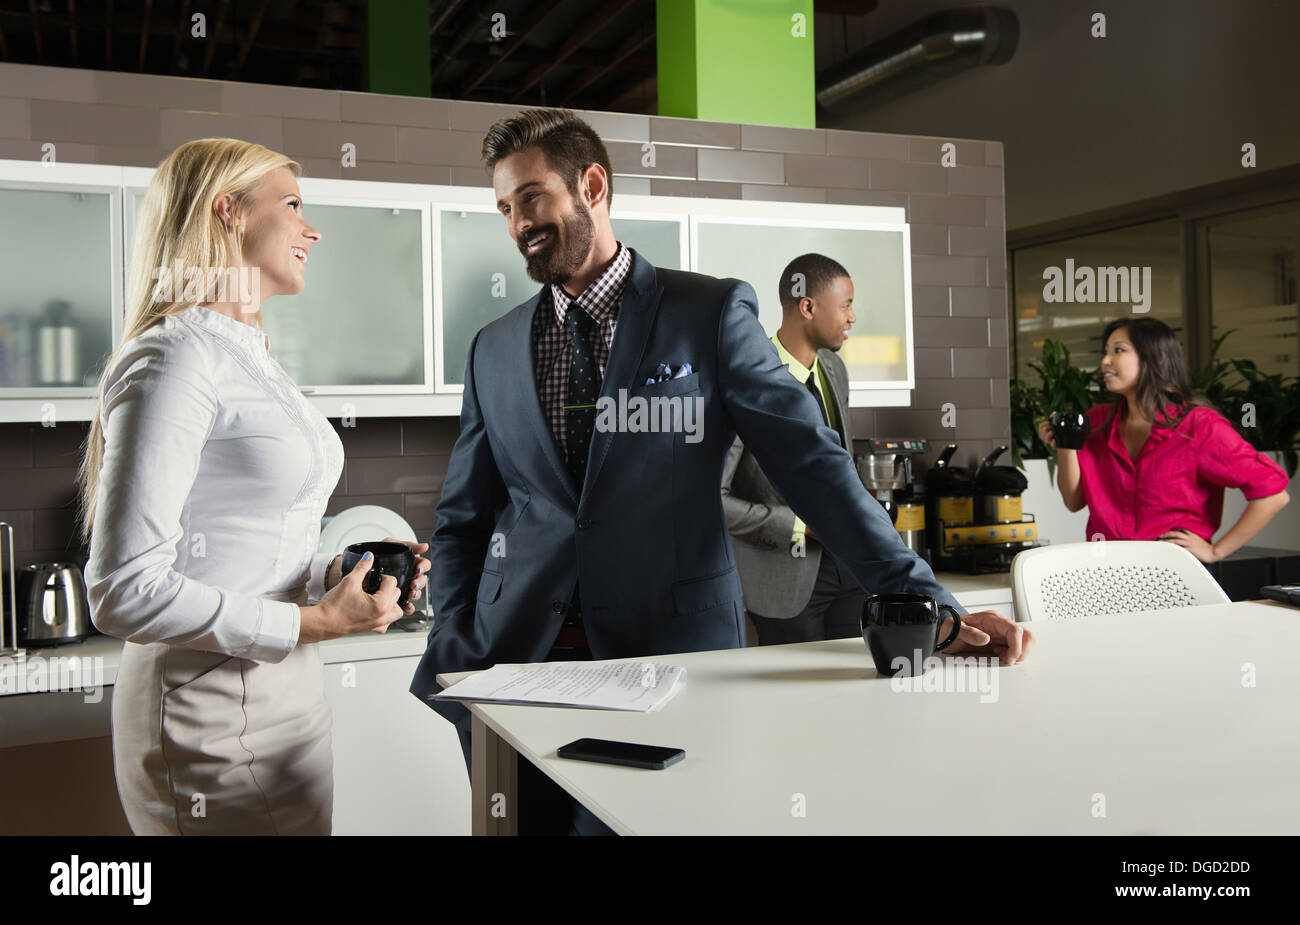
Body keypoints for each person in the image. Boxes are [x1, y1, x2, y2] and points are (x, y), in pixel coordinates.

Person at [409, 108, 1033, 836]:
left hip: (671, 665)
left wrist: (920, 595)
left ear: (593, 184)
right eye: (505, 208)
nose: (518, 223)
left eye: (533, 198)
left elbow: (811, 464)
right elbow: (463, 517)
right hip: (516, 670)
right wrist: (452, 636)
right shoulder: (493, 347)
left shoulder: (706, 312)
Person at [79, 138, 430, 835]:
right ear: (227, 210)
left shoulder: (248, 357)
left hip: (286, 706)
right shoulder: (175, 357)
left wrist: (336, 574)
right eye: (293, 204)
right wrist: (312, 622)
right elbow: (122, 589)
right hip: (207, 719)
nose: (312, 228)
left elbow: (251, 553)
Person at [1038, 317, 1290, 561]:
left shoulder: (1200, 427)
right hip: (1107, 570)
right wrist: (1065, 444)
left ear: (1156, 357)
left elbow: (1274, 495)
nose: (1105, 361)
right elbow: (1073, 501)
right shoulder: (1098, 421)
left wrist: (1217, 551)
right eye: (1105, 352)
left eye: (1118, 351)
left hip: (1175, 575)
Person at [721, 253, 869, 644]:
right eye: (846, 305)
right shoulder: (747, 380)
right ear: (808, 306)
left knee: (857, 690)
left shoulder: (835, 371)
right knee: (799, 702)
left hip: (851, 569)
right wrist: (802, 526)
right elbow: (713, 500)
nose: (852, 317)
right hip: (784, 583)